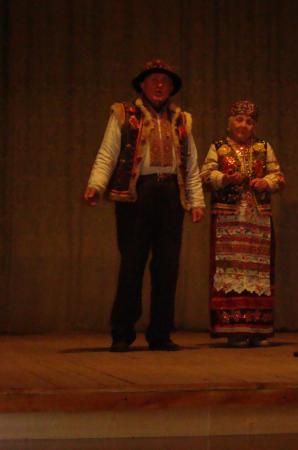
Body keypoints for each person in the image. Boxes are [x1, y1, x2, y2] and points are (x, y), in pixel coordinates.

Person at [84, 59, 205, 352]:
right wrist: (96, 184)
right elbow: (108, 152)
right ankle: (122, 332)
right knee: (132, 263)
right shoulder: (125, 115)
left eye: (165, 81)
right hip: (137, 195)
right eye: (154, 80)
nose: (160, 85)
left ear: (172, 87)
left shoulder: (181, 120)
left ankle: (160, 333)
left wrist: (196, 200)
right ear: (142, 85)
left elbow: (190, 163)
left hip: (170, 196)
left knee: (168, 266)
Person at [200, 100, 285, 347]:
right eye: (239, 120)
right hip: (229, 218)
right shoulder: (218, 147)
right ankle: (233, 329)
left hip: (257, 219)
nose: (243, 125)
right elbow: (205, 176)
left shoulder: (263, 147)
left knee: (257, 271)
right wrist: (225, 179)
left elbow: (278, 176)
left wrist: (266, 183)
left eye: (249, 121)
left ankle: (258, 329)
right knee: (231, 269)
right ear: (230, 122)